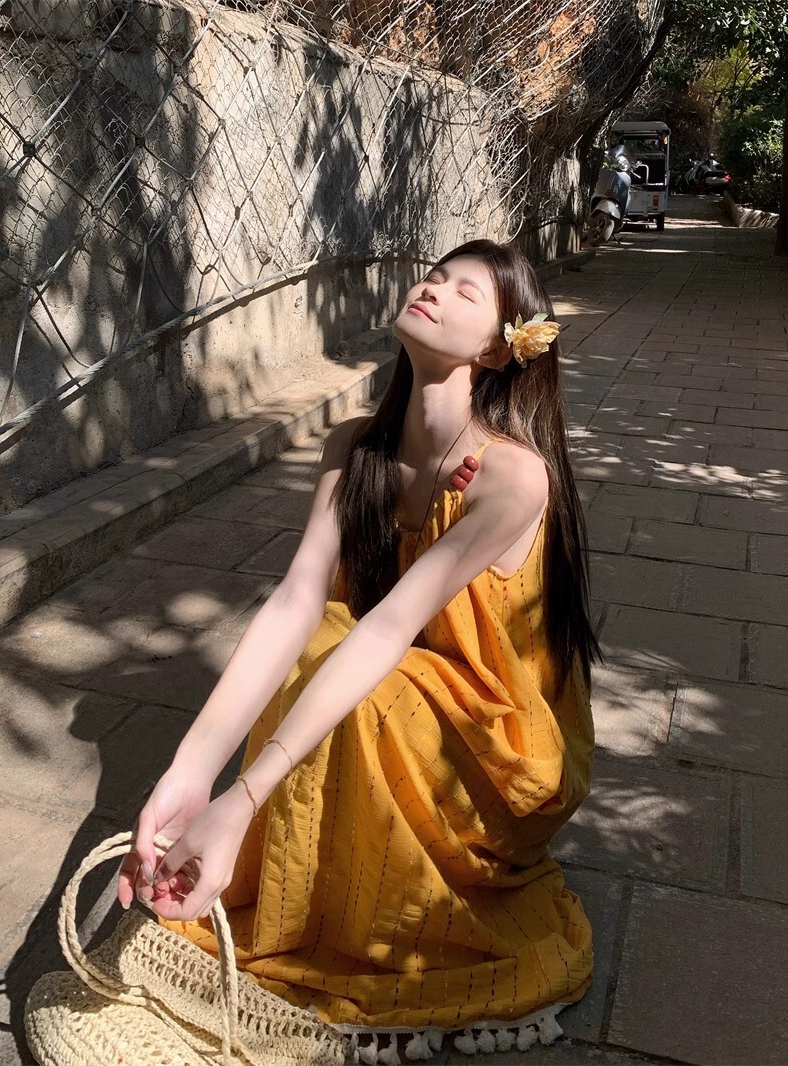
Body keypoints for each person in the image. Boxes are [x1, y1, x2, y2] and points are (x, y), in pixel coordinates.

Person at [118, 239, 599, 1059]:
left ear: (497, 349)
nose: (434, 290)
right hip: (405, 691)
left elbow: (388, 627)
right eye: (434, 276)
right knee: (320, 639)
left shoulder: (511, 478)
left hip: (497, 742)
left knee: (360, 672)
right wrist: (193, 772)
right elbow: (295, 600)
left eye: (466, 292)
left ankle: (354, 922)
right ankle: (289, 876)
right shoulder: (352, 448)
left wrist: (246, 797)